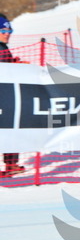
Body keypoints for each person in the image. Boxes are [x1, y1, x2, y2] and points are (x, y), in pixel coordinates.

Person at [0, 14, 25, 178]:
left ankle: (11, 164)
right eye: (3, 31)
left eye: (10, 31)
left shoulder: (3, 48)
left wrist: (15, 65)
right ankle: (11, 164)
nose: (7, 34)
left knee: (10, 128)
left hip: (6, 96)